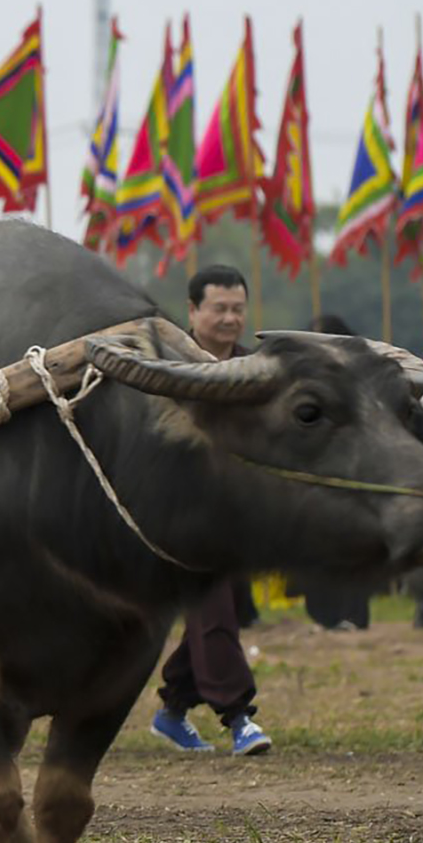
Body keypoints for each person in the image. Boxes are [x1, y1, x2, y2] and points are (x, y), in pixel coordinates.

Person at [150, 264, 272, 757]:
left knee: (220, 612)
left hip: (239, 518)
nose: (229, 318)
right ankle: (238, 715)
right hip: (173, 516)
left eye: (238, 309)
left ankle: (172, 711)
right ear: (193, 311)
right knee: (214, 606)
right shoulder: (159, 366)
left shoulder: (259, 372)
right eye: (219, 308)